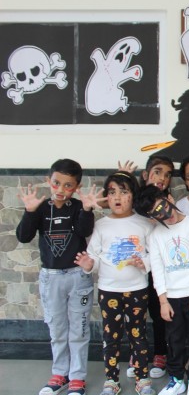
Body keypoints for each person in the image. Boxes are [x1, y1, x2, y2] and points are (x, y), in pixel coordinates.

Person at [16, 159, 103, 395]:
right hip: (51, 278)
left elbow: (85, 231)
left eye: (68, 185)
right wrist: (29, 211)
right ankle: (59, 374)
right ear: (48, 181)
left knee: (79, 329)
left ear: (76, 187)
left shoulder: (79, 206)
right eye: (56, 183)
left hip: (78, 278)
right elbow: (23, 236)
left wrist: (87, 210)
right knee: (57, 329)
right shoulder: (40, 207)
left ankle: (77, 377)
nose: (61, 189)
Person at [74, 172, 156, 395]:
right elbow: (94, 256)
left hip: (137, 289)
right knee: (111, 337)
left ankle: (142, 378)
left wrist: (144, 263)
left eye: (124, 191)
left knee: (138, 335)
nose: (117, 197)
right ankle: (111, 381)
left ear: (133, 195)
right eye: (112, 192)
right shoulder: (101, 225)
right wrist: (88, 264)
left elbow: (155, 255)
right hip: (109, 290)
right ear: (106, 197)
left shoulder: (144, 224)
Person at [135, 185, 189, 395]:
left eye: (163, 207)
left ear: (169, 198)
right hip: (171, 297)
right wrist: (163, 301)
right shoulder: (156, 235)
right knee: (174, 340)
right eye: (156, 214)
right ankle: (176, 379)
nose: (166, 215)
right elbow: (156, 269)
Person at [129, 155, 175, 380]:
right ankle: (137, 355)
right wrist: (126, 178)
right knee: (135, 314)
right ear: (146, 174)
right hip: (134, 268)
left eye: (167, 175)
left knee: (159, 313)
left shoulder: (168, 203)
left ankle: (160, 353)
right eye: (157, 172)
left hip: (160, 269)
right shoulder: (133, 201)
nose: (162, 178)